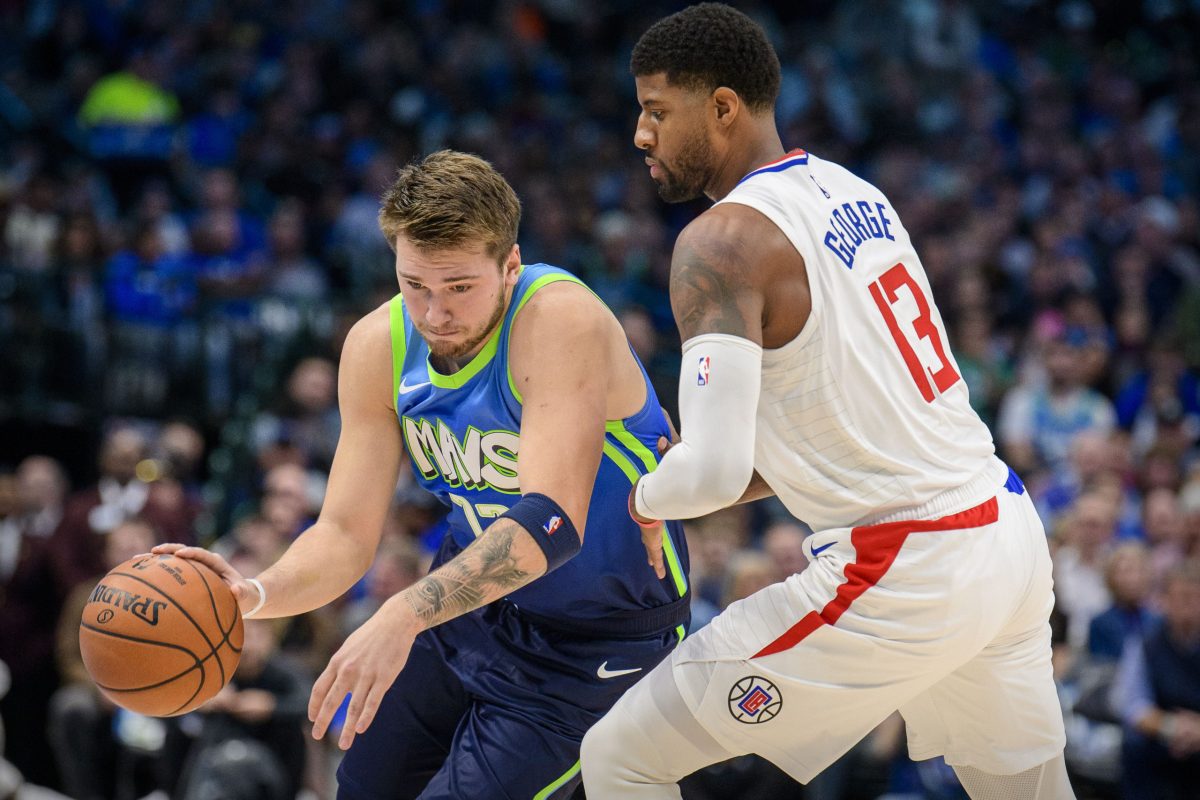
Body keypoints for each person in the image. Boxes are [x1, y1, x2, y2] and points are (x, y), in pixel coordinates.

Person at [580, 5, 1073, 799]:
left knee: (619, 760)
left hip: (906, 564)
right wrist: (713, 468)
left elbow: (707, 478)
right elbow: (824, 433)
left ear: (723, 108)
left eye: (656, 111)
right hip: (1002, 532)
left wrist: (633, 498)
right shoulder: (852, 191)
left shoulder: (721, 241)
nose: (640, 134)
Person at [156, 149, 690, 799]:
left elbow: (550, 524)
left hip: (600, 634)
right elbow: (346, 535)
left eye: (460, 287)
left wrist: (404, 611)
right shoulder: (378, 345)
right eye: (415, 285)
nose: (435, 314)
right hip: (472, 607)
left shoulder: (557, 319)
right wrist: (258, 594)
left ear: (510, 266)